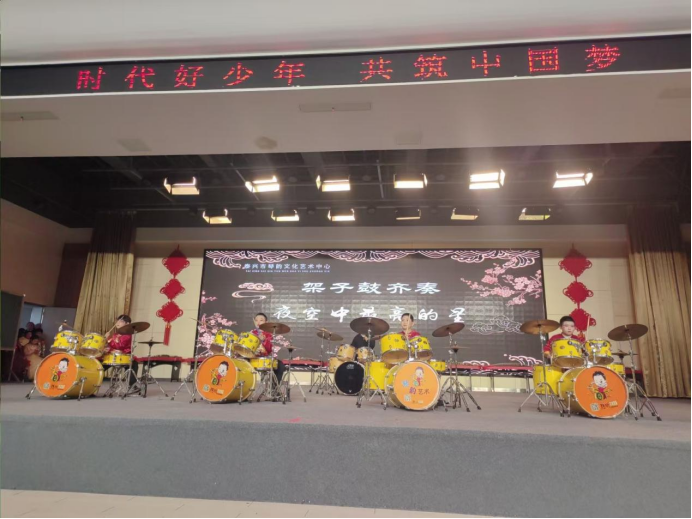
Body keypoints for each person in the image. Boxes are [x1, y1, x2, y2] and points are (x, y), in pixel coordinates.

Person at [249, 313, 285, 385]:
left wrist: (264, 341)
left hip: (265, 360)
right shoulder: (251, 333)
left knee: (280, 365)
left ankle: (274, 388)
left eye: (261, 320)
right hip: (252, 358)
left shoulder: (269, 334)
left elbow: (268, 350)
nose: (258, 322)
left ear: (266, 322)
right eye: (256, 320)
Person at [105, 314, 139, 388]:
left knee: (133, 364)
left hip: (123, 356)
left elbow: (119, 346)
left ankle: (132, 386)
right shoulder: (116, 334)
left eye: (121, 321)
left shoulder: (127, 334)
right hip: (113, 356)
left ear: (127, 324)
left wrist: (108, 339)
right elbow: (111, 346)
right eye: (117, 321)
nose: (117, 323)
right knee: (100, 364)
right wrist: (107, 347)